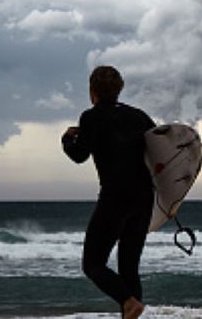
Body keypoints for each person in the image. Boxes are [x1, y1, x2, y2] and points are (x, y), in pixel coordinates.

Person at [62, 65, 156, 319]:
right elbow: (157, 148)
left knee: (93, 264)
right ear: (119, 89)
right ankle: (130, 308)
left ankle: (128, 302)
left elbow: (79, 155)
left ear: (93, 92)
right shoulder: (139, 116)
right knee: (129, 267)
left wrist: (67, 139)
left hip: (115, 197)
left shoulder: (91, 117)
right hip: (144, 198)